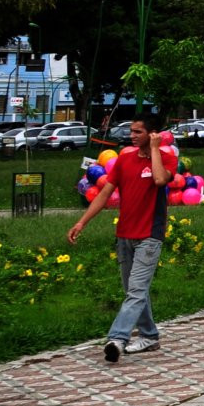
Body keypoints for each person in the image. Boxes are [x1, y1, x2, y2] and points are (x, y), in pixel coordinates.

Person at [68, 117, 178, 362]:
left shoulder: (166, 158)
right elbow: (105, 193)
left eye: (138, 131)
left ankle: (117, 338)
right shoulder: (124, 160)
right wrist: (82, 222)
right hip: (125, 234)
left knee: (136, 291)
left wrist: (154, 150)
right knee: (133, 290)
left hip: (150, 234)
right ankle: (149, 335)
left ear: (152, 134)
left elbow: (160, 180)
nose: (132, 135)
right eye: (131, 131)